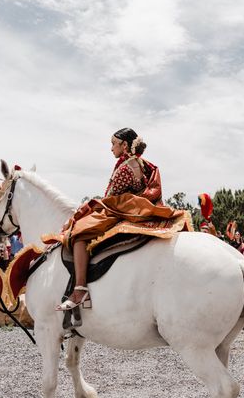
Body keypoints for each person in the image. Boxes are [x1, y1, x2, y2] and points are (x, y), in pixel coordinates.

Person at [57, 128, 183, 311]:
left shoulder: (126, 168)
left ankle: (80, 289)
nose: (111, 149)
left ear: (125, 145)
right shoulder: (140, 163)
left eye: (113, 144)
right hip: (130, 208)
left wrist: (85, 209)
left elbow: (110, 198)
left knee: (79, 234)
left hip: (120, 210)